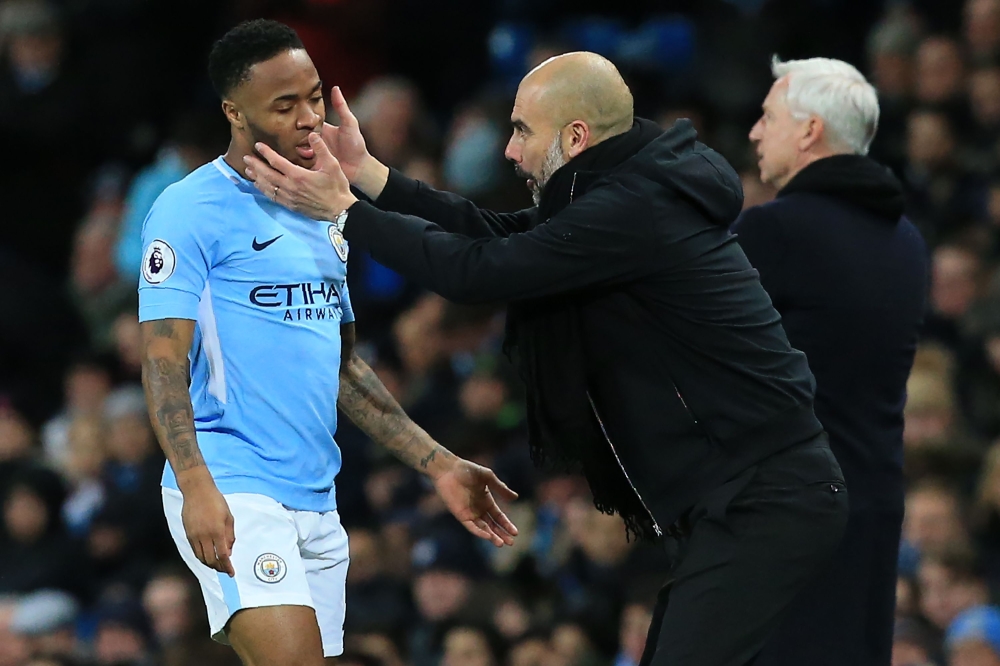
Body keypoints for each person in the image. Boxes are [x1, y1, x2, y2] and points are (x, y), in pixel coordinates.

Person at [244, 51, 850, 666]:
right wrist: (370, 176)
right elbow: (495, 233)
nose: (510, 150)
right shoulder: (624, 189)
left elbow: (477, 272)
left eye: (522, 131)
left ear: (575, 138)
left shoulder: (632, 209)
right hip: (737, 499)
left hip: (761, 497)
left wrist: (345, 212)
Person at [136, 20, 517, 666]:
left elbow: (342, 368)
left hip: (316, 494)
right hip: (234, 483)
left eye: (314, 96)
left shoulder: (323, 206)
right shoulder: (188, 209)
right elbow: (161, 360)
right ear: (234, 112)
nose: (310, 117)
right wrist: (196, 484)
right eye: (284, 105)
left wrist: (440, 464)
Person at [731, 57, 929, 666]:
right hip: (873, 505)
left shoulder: (775, 232)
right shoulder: (908, 243)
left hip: (787, 517)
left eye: (768, 117)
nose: (755, 132)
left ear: (809, 130)